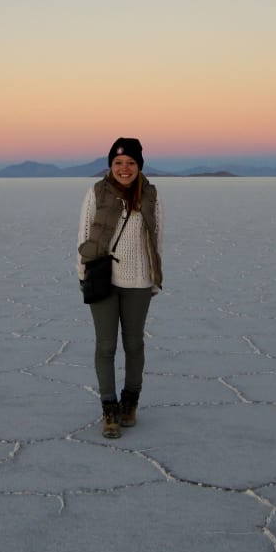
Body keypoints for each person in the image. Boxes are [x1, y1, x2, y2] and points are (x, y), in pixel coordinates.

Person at [77, 137, 164, 439]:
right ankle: (109, 408)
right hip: (103, 279)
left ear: (139, 165)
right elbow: (84, 234)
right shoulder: (97, 192)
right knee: (105, 346)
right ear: (110, 165)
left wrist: (154, 278)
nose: (124, 168)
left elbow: (157, 238)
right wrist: (82, 275)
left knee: (134, 344)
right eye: (118, 163)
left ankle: (130, 402)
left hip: (139, 282)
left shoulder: (150, 196)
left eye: (130, 163)